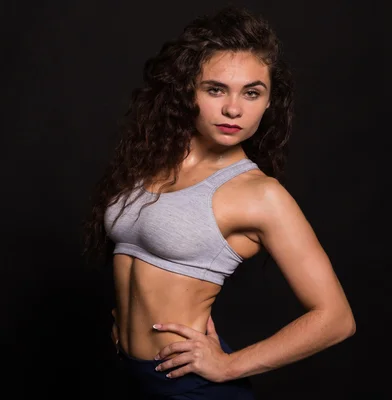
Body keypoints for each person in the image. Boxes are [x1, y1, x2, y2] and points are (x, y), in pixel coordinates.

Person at [82, 5, 355, 399]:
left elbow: (336, 319)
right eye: (216, 89)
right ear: (187, 90)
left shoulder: (261, 195)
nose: (233, 109)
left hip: (191, 389)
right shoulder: (151, 161)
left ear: (268, 102)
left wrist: (229, 365)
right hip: (132, 377)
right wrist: (126, 323)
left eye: (252, 92)